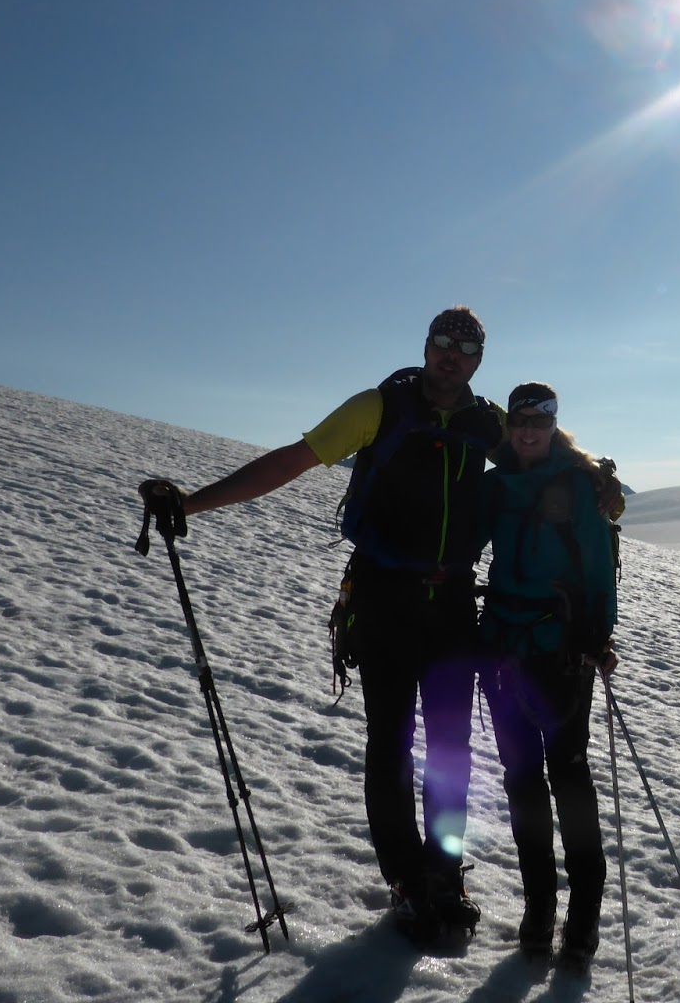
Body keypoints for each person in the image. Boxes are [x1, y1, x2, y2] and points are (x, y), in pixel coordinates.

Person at [138, 306, 504, 943]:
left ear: (478, 359)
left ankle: (445, 875)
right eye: (442, 343)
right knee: (389, 744)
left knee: (451, 750)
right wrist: (191, 503)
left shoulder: (488, 422)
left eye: (465, 348)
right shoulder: (377, 407)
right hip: (386, 599)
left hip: (451, 606)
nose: (451, 355)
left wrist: (597, 485)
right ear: (425, 346)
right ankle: (407, 881)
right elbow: (292, 461)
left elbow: (548, 453)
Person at [475, 382, 620, 968]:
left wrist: (598, 637)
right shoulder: (496, 485)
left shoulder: (577, 486)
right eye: (520, 420)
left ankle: (580, 920)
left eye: (540, 420)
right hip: (504, 648)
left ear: (554, 425)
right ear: (509, 426)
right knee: (520, 781)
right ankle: (540, 911)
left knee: (566, 777)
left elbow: (599, 568)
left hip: (560, 652)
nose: (529, 429)